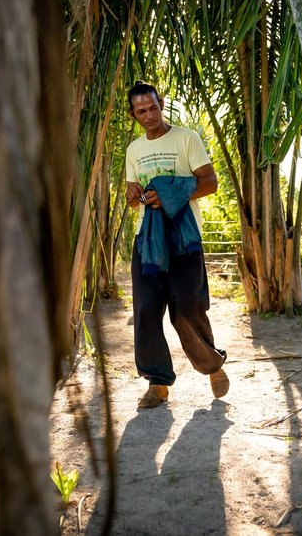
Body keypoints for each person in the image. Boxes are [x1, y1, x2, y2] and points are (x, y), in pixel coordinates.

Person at [124, 80, 229, 409]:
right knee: (145, 310)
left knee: (187, 309)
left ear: (161, 103)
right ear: (134, 114)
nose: (149, 115)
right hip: (147, 241)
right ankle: (157, 384)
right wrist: (133, 196)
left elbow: (209, 182)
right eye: (141, 111)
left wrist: (168, 191)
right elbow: (132, 195)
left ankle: (211, 366)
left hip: (183, 239)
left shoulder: (186, 138)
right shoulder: (134, 150)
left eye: (153, 107)